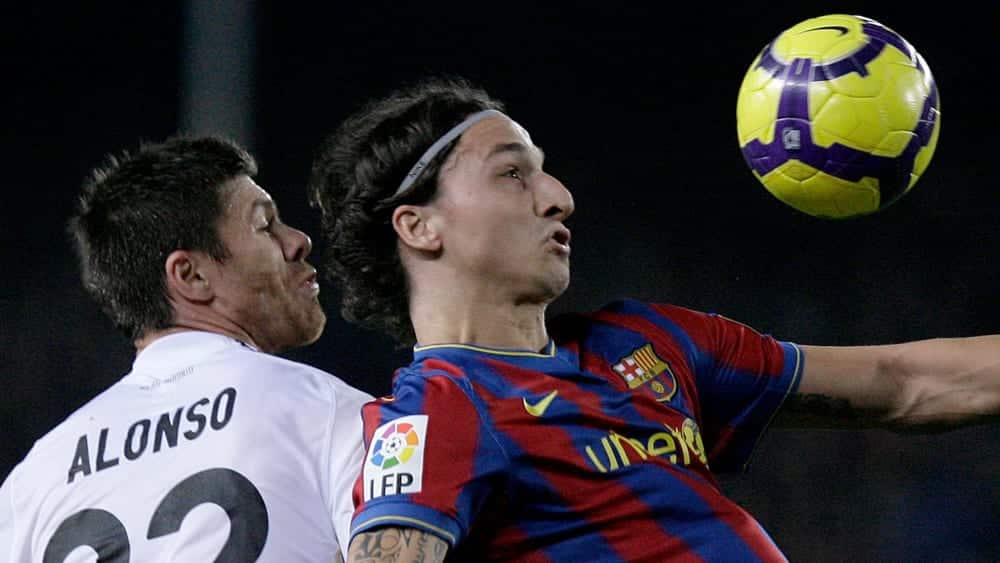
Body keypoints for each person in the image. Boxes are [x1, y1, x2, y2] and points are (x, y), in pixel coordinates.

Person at [307, 76, 1000, 563]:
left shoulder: (650, 343)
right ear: (419, 226)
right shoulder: (439, 412)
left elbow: (903, 382)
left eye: (544, 171)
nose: (558, 196)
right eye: (513, 173)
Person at [0, 135, 373, 562]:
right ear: (191, 275)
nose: (298, 241)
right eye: (265, 225)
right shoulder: (322, 410)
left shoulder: (35, 481)